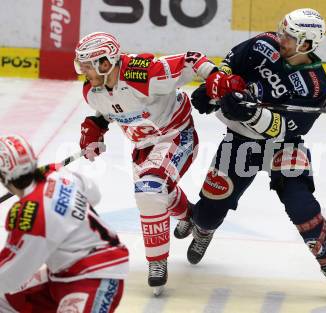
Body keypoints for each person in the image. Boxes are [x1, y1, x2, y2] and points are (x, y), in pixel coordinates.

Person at [175, 8, 326, 303]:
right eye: (282, 32)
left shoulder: (315, 85)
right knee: (209, 210)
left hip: (284, 145)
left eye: (288, 37)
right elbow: (231, 64)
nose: (279, 38)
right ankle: (203, 228)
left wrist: (252, 113)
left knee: (302, 206)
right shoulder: (263, 44)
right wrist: (216, 89)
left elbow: (288, 127)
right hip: (241, 140)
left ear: (306, 44)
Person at [74, 32, 216, 295]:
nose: (82, 70)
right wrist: (96, 128)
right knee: (156, 192)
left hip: (176, 135)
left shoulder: (144, 74)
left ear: (105, 63)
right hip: (143, 147)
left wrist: (217, 77)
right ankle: (192, 218)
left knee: (150, 191)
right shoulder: (92, 91)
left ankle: (157, 264)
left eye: (87, 64)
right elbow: (111, 109)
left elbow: (190, 59)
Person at [0, 135, 129, 312]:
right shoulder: (56, 174)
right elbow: (94, 193)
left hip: (96, 276)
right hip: (65, 274)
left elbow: (11, 272)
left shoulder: (30, 213)